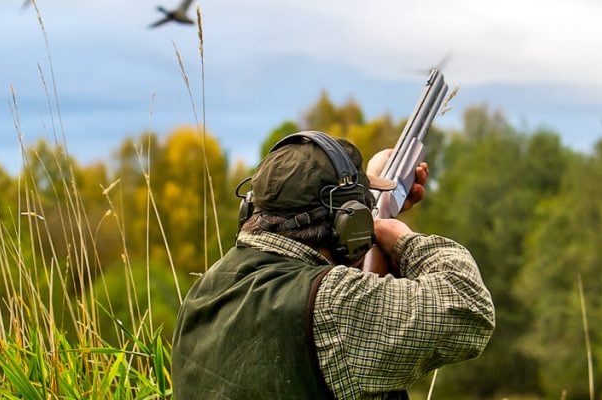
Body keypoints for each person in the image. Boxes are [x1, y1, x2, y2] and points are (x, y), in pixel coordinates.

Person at [171, 130, 495, 399]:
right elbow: (468, 303)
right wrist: (398, 237)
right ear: (347, 227)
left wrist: (366, 191)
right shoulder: (334, 304)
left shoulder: (210, 286)